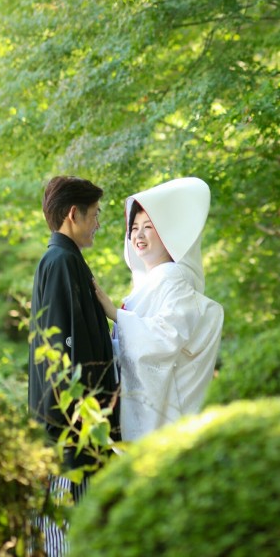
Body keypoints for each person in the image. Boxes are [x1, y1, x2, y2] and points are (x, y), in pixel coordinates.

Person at [93, 175, 223, 441]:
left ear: (167, 234)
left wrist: (114, 312)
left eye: (148, 227)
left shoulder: (173, 278)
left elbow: (166, 337)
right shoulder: (149, 283)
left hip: (167, 415)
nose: (138, 235)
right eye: (134, 227)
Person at [28, 175, 119, 485]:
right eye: (94, 214)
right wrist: (78, 422)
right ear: (73, 214)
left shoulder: (65, 259)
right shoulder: (61, 261)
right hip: (72, 429)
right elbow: (60, 352)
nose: (97, 224)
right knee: (72, 527)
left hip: (78, 426)